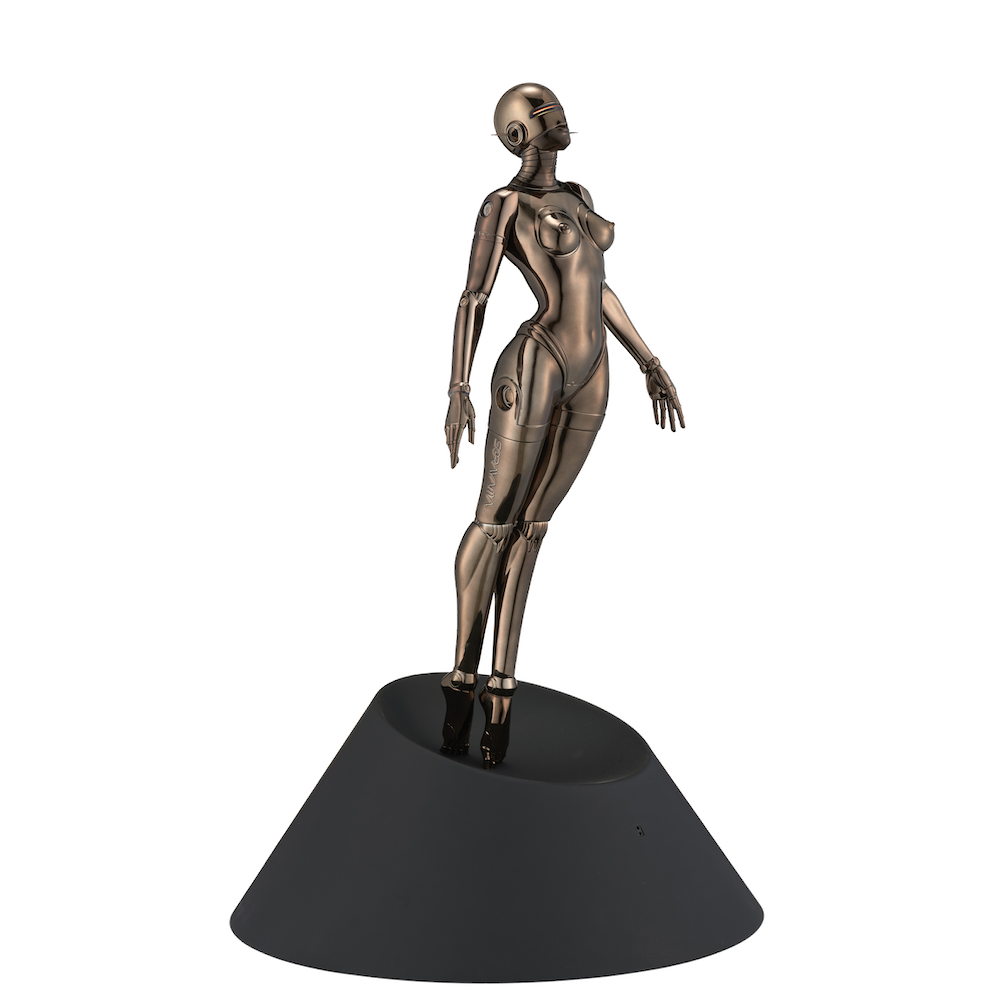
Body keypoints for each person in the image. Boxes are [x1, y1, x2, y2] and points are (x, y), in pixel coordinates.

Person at [440, 81, 685, 768]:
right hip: (538, 359)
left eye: (556, 107)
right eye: (544, 111)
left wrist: (647, 358)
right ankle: (460, 680)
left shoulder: (577, 197)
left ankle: (501, 690)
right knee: (495, 520)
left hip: (592, 370)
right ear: (518, 132)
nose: (559, 117)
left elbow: (596, 288)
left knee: (534, 529)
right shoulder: (504, 204)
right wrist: (458, 388)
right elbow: (474, 296)